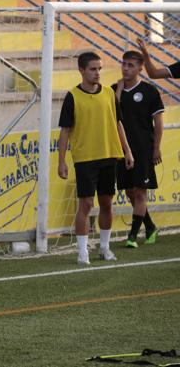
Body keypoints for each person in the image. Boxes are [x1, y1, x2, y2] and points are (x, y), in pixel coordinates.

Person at [58, 51, 134, 265]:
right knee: (86, 204)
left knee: (107, 204)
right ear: (81, 70)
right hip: (85, 159)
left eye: (99, 68)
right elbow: (65, 131)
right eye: (92, 69)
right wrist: (61, 161)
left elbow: (118, 123)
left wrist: (127, 150)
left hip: (109, 155)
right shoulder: (72, 96)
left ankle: (104, 248)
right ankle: (82, 252)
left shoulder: (110, 94)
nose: (97, 73)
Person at [113, 50, 164, 248]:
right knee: (129, 193)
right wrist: (117, 91)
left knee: (140, 192)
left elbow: (158, 123)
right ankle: (150, 226)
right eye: (124, 64)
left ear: (140, 68)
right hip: (121, 149)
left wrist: (156, 148)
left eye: (130, 65)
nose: (125, 68)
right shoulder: (113, 90)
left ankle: (132, 236)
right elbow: (113, 115)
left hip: (143, 150)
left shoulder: (150, 91)